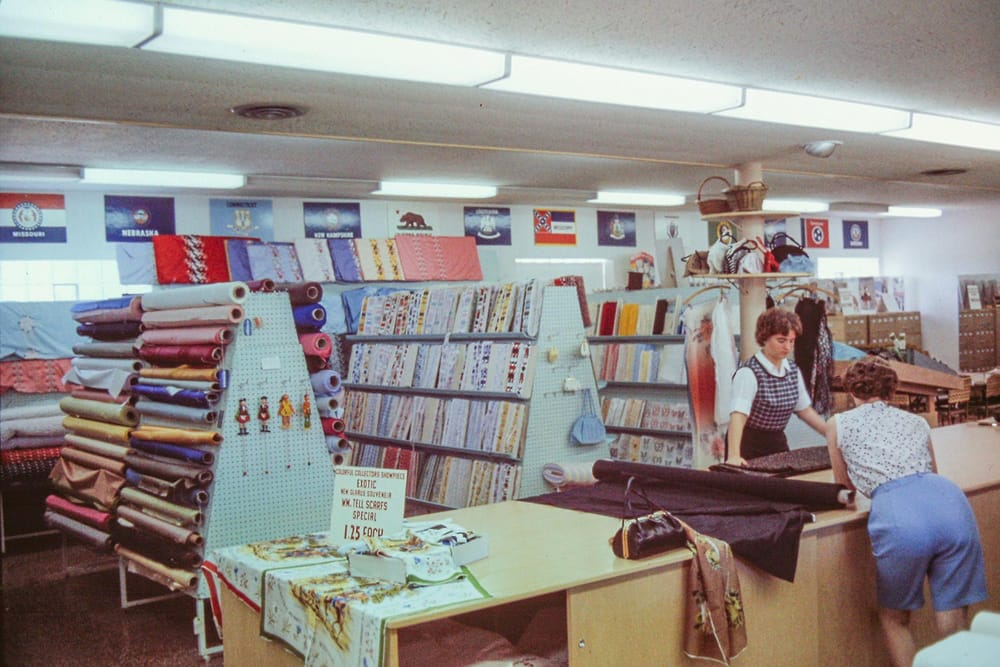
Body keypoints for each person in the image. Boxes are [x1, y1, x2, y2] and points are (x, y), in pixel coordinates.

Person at [826, 357, 987, 667]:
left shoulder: (838, 424)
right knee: (951, 618)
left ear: (851, 391)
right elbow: (932, 470)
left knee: (894, 618)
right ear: (891, 391)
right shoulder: (917, 422)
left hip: (899, 515)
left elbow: (843, 487)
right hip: (949, 502)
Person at [726, 308, 827, 464]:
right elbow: (738, 417)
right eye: (781, 340)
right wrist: (733, 456)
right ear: (765, 338)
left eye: (791, 341)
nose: (787, 347)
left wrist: (831, 434)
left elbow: (804, 410)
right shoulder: (749, 372)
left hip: (776, 442)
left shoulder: (792, 370)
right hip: (747, 445)